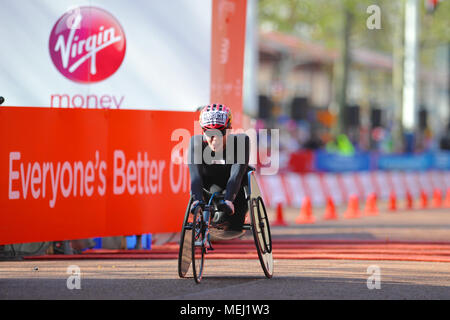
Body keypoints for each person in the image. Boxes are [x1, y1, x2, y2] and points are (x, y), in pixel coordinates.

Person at [188, 104, 250, 231]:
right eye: (209, 132)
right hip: (210, 189)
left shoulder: (241, 141)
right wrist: (197, 200)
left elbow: (236, 175)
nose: (214, 139)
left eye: (220, 132)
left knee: (234, 224)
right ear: (202, 131)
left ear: (229, 129)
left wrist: (228, 200)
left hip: (236, 192)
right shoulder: (196, 142)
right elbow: (195, 177)